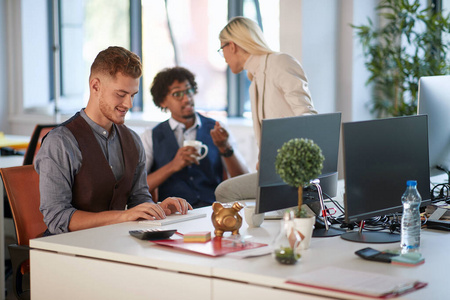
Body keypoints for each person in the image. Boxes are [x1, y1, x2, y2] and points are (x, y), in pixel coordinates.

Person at [35, 46, 192, 235]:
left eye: (132, 95)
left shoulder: (132, 140)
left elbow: (139, 198)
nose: (129, 104)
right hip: (68, 250)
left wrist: (157, 209)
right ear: (95, 86)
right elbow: (57, 218)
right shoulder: (60, 142)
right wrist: (123, 216)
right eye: (120, 94)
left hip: (115, 243)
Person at [215, 16, 317, 203]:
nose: (224, 59)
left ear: (232, 46)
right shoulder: (255, 81)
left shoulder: (280, 62)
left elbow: (307, 118)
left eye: (222, 49)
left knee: (225, 191)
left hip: (294, 172)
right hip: (274, 172)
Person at [141, 67, 248, 208]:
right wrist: (173, 166)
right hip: (174, 215)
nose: (187, 99)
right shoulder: (150, 136)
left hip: (213, 211)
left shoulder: (217, 128)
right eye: (177, 94)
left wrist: (225, 147)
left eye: (189, 91)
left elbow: (243, 180)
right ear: (162, 102)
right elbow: (138, 188)